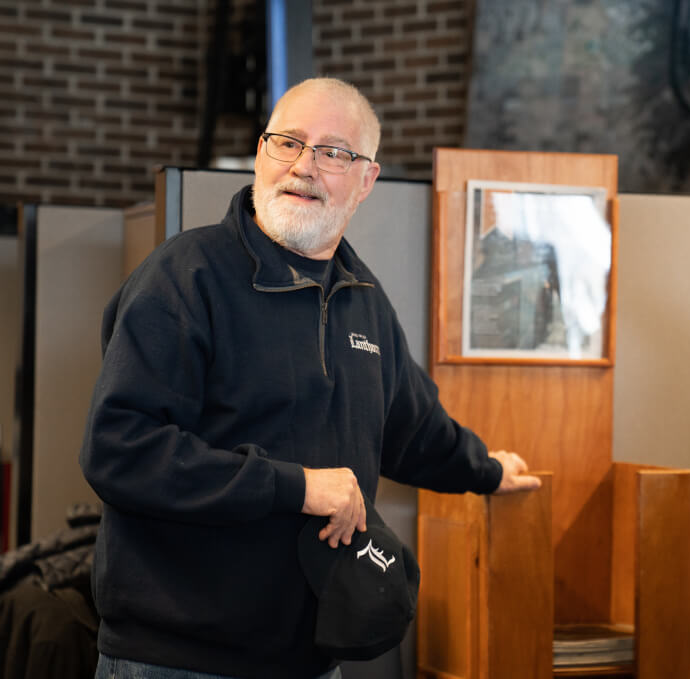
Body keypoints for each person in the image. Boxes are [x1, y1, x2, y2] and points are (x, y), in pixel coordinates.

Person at [79, 77, 541, 679]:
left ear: (367, 180)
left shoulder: (362, 299)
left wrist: (488, 470)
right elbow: (120, 450)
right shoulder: (184, 278)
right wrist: (297, 487)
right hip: (178, 659)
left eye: (333, 152)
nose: (303, 166)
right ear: (260, 153)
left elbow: (413, 432)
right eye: (288, 142)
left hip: (312, 657)